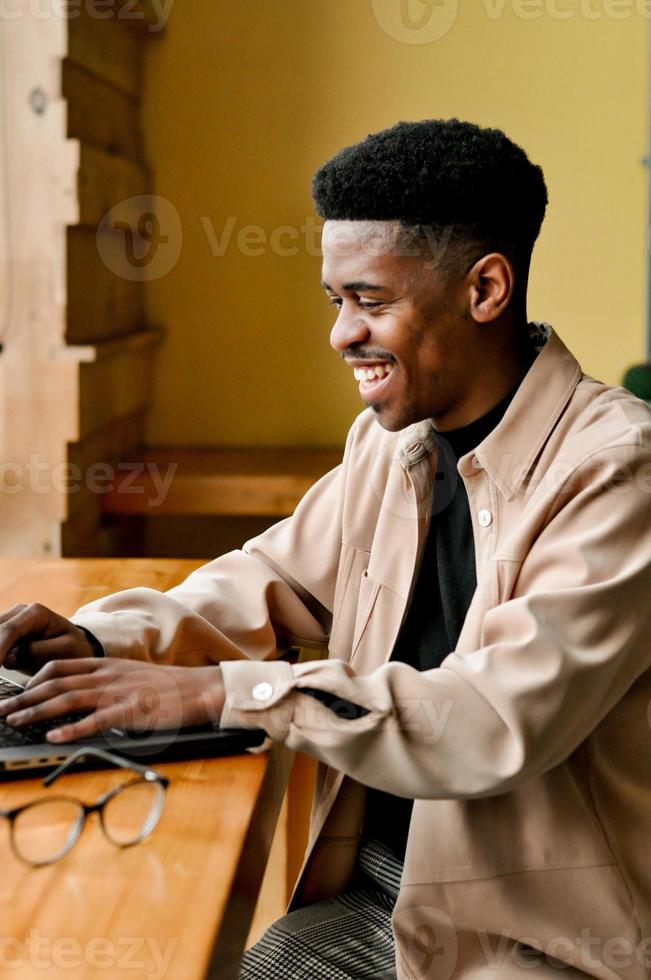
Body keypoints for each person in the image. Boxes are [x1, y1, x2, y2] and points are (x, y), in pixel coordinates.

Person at [0, 118, 650, 979]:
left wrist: (210, 696)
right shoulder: (390, 441)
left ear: (485, 288)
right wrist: (98, 643)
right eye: (335, 302)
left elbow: (493, 721)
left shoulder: (616, 471)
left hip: (541, 942)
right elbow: (273, 581)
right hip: (379, 891)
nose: (341, 334)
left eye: (370, 302)